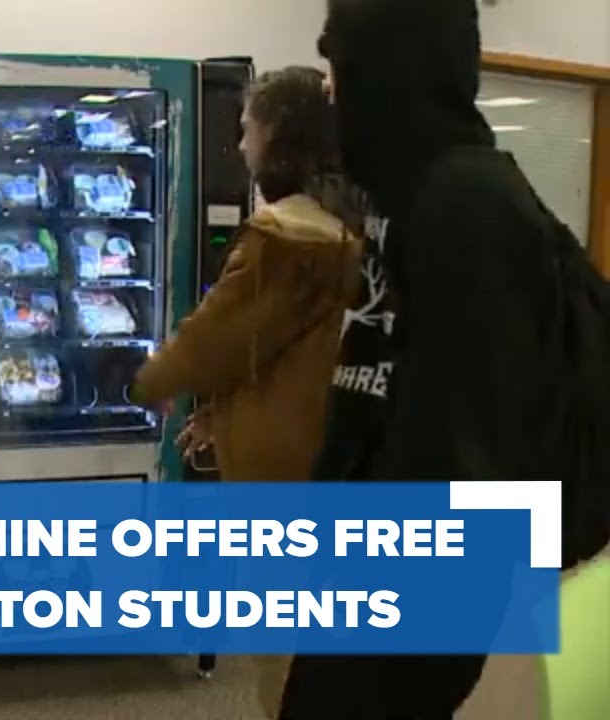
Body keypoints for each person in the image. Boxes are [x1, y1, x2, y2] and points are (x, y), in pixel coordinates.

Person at [288, 0, 610, 717]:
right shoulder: (409, 198)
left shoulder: (467, 205)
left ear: (391, 70)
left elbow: (466, 447)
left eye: (339, 65)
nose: (331, 92)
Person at [130, 67, 360, 719]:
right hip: (331, 461)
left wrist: (142, 381)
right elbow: (275, 346)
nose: (238, 146)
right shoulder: (345, 224)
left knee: (284, 658)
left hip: (280, 482)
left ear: (277, 135)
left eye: (246, 129)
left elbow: (214, 337)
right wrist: (217, 412)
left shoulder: (281, 235)